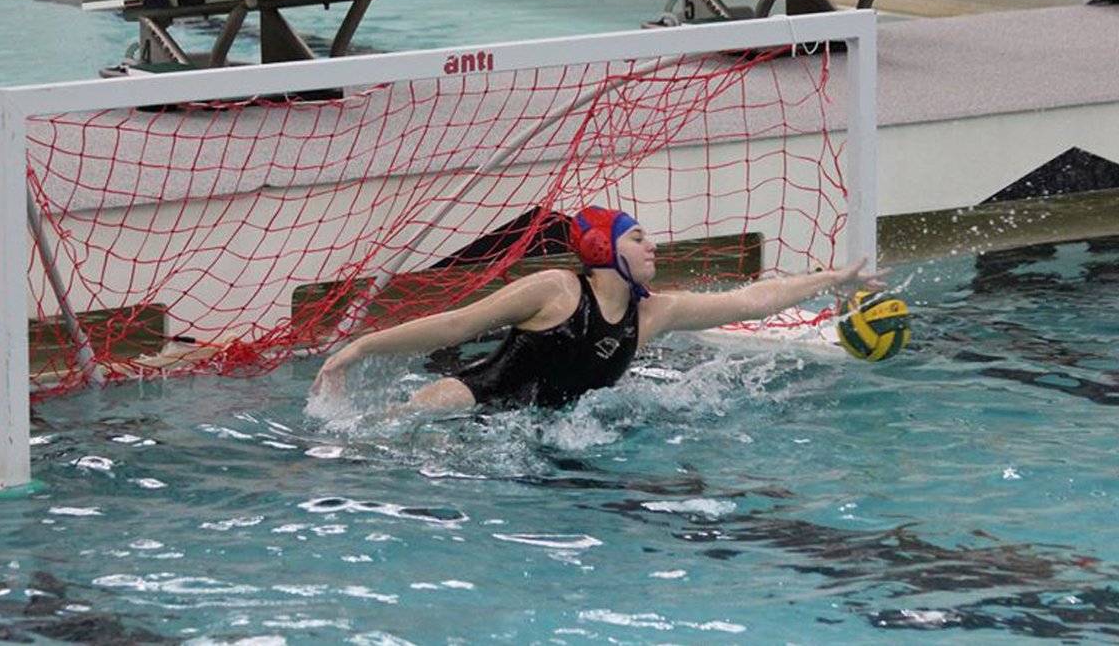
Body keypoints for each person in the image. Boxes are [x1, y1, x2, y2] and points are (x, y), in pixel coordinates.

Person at [311, 206, 888, 414]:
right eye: (639, 239)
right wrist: (357, 347)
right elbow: (458, 324)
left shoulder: (655, 313)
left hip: (552, 433)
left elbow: (747, 300)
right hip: (466, 405)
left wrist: (827, 280)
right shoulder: (556, 290)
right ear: (602, 248)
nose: (653, 246)